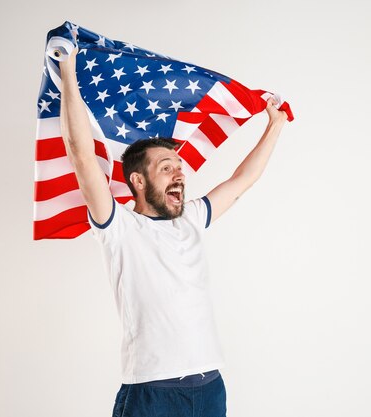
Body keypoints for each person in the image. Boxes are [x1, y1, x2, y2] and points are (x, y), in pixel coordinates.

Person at [59, 47, 288, 417]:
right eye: (167, 168)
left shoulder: (192, 219)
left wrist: (274, 125)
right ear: (138, 181)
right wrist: (68, 70)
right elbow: (82, 157)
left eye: (180, 167)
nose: (180, 174)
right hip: (152, 393)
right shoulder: (119, 227)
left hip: (210, 388)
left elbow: (244, 179)